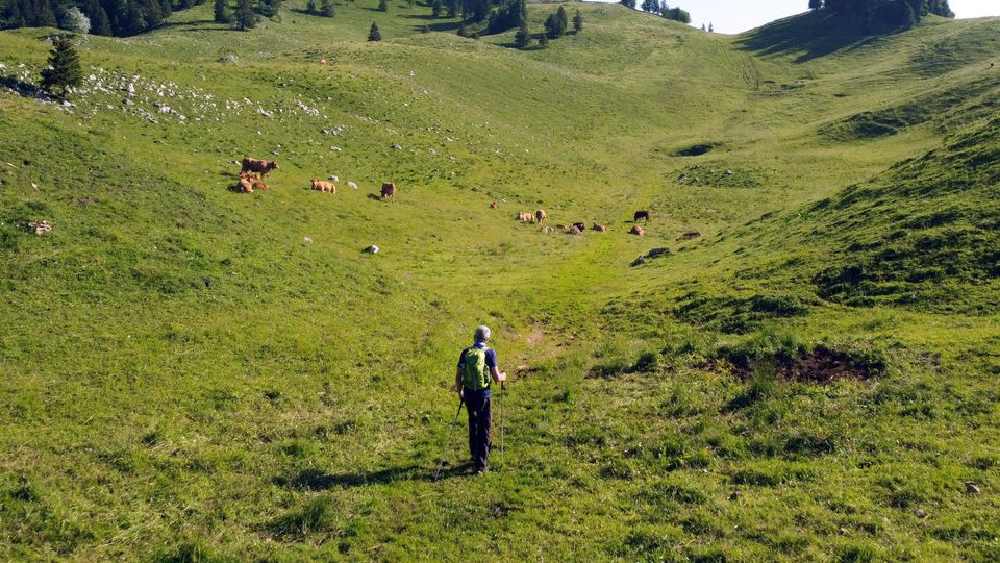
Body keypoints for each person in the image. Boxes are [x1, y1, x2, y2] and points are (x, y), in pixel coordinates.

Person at [454, 325, 506, 474]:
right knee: (484, 427)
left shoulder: (465, 352)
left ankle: (474, 454)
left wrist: (461, 393)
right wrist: (504, 376)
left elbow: (458, 377)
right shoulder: (490, 352)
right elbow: (496, 378)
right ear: (487, 338)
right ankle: (481, 465)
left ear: (474, 337)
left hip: (469, 394)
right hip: (484, 395)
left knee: (473, 423)